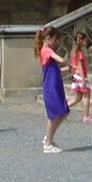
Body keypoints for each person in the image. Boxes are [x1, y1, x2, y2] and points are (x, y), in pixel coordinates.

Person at [36, 25, 70, 153]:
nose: (56, 43)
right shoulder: (46, 50)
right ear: (49, 38)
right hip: (51, 86)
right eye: (55, 40)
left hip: (55, 84)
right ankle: (48, 143)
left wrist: (64, 69)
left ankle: (49, 137)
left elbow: (53, 69)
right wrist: (68, 63)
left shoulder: (46, 51)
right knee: (54, 115)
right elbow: (60, 59)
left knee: (64, 111)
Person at [67, 31, 92, 123]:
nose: (86, 43)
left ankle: (64, 108)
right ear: (81, 41)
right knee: (86, 96)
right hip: (80, 76)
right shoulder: (79, 53)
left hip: (75, 76)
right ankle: (86, 116)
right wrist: (83, 79)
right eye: (85, 41)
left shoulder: (73, 52)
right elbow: (80, 67)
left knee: (78, 97)